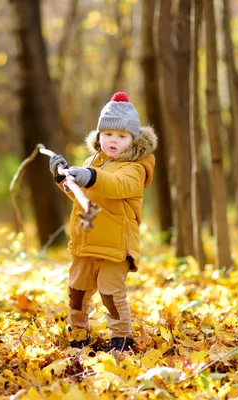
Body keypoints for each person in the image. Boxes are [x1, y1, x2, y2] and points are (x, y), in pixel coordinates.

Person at [49, 92, 157, 352]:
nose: (113, 141)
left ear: (133, 140)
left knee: (111, 293)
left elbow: (116, 185)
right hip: (87, 240)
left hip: (115, 246)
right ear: (99, 135)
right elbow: (81, 194)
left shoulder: (136, 167)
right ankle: (77, 334)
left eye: (121, 136)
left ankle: (121, 340)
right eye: (108, 134)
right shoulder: (93, 162)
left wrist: (89, 176)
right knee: (77, 290)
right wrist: (63, 178)